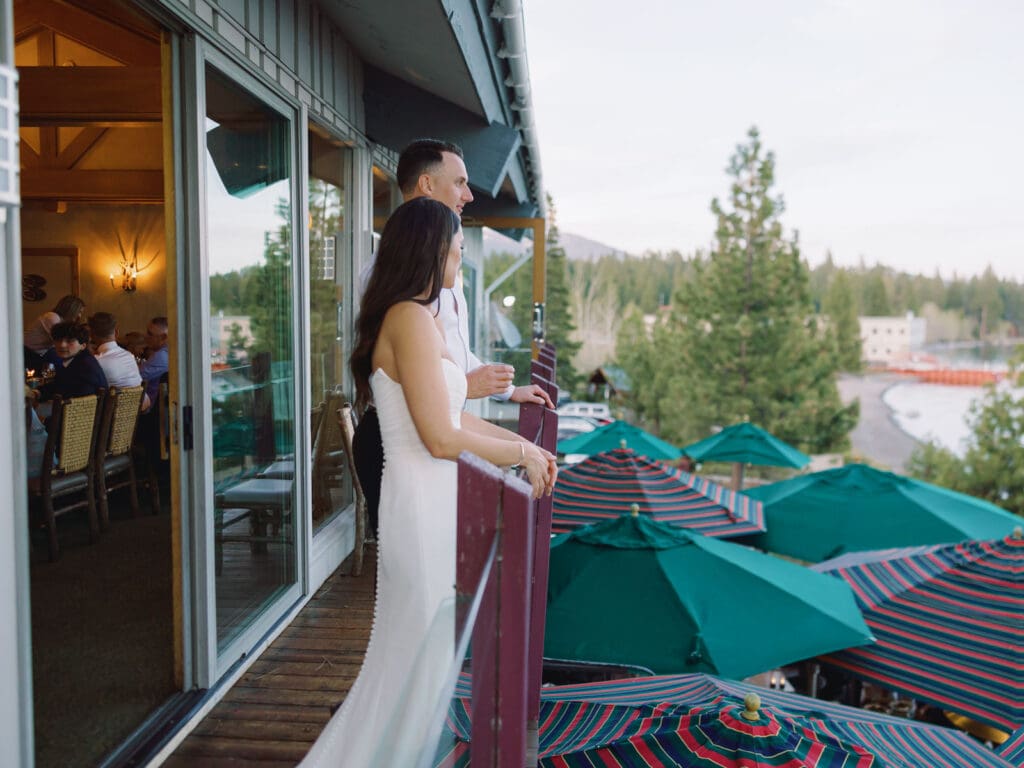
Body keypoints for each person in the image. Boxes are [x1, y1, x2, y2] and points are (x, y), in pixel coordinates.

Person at [300, 198, 556, 767]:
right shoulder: (408, 320)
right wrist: (518, 451)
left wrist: (526, 447)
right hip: (417, 501)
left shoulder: (423, 318)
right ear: (433, 247)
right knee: (410, 659)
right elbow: (440, 437)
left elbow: (456, 414)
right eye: (458, 243)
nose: (463, 253)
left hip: (437, 498)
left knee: (428, 662)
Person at [353, 139, 554, 534]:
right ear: (427, 185)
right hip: (408, 445)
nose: (469, 194)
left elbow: (451, 358)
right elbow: (408, 379)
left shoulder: (428, 281)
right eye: (460, 182)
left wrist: (507, 393)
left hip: (432, 444)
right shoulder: (403, 297)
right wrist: (520, 450)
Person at [89, 312, 148, 409]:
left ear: (91, 335)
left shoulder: (97, 362)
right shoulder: (129, 356)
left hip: (112, 416)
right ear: (116, 332)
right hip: (136, 412)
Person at [38, 321, 107, 404]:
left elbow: (79, 404)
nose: (62, 345)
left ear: (83, 346)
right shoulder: (76, 360)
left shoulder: (86, 367)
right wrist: (36, 393)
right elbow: (58, 385)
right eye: (58, 340)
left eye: (69, 341)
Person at [139, 316, 169, 411]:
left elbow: (136, 377)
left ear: (163, 337)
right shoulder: (169, 353)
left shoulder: (161, 356)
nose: (145, 336)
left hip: (148, 411)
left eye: (150, 334)